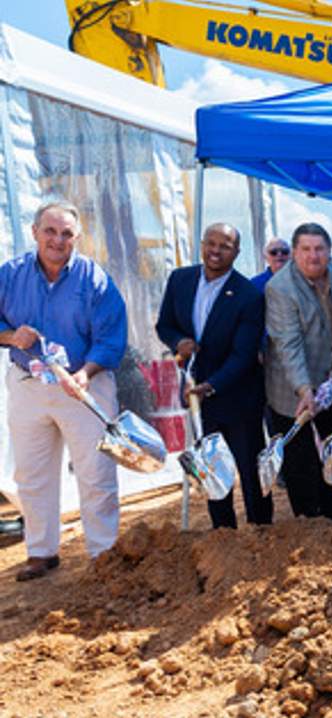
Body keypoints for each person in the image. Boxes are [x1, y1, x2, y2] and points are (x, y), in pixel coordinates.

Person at [0, 200, 127, 580]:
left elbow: (111, 338)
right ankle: (42, 552)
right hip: (28, 385)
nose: (58, 239)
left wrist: (86, 373)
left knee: (96, 471)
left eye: (66, 233)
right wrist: (9, 335)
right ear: (35, 232)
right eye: (50, 231)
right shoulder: (10, 274)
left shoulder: (95, 279)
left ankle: (103, 554)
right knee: (32, 473)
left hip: (84, 386)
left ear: (77, 238)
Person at [156, 222, 268, 528]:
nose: (215, 251)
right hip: (198, 401)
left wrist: (212, 385)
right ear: (202, 243)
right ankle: (224, 537)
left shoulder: (248, 295)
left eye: (225, 246)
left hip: (239, 397)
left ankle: (262, 533)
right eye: (211, 243)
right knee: (214, 473)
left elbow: (244, 354)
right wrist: (178, 342)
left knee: (249, 471)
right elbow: (164, 325)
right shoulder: (180, 279)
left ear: (237, 252)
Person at [264, 223, 332, 525]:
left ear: (329, 251)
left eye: (319, 249)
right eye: (306, 249)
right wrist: (304, 389)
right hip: (291, 389)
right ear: (295, 252)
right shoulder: (279, 287)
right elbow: (289, 344)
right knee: (301, 464)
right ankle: (307, 526)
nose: (313, 256)